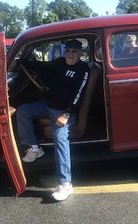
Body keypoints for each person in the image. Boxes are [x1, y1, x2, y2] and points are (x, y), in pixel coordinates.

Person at [16, 39, 90, 201]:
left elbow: (80, 93)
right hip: (47, 105)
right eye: (68, 51)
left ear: (80, 53)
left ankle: (65, 183)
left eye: (74, 51)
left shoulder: (83, 69)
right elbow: (43, 66)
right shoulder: (60, 62)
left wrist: (67, 114)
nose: (70, 54)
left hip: (64, 111)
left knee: (61, 139)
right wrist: (22, 62)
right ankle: (34, 147)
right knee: (23, 111)